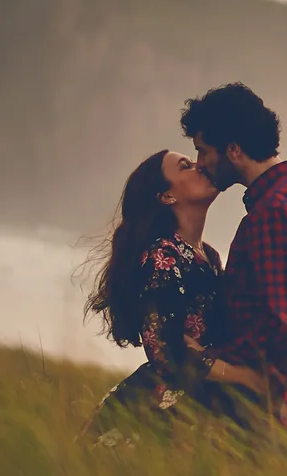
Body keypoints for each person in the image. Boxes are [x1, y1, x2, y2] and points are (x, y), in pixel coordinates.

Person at [181, 82, 287, 432]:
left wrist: (209, 361)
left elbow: (281, 324)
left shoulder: (275, 212)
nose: (199, 163)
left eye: (203, 150)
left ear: (234, 150)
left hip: (257, 411)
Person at [84, 149, 271, 425]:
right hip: (160, 411)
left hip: (201, 400)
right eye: (185, 166)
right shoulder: (162, 257)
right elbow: (167, 353)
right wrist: (246, 378)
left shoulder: (208, 256)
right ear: (166, 195)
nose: (199, 166)